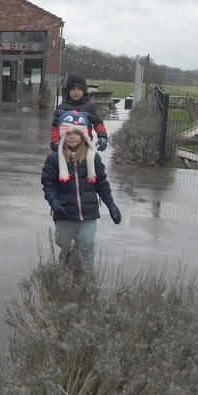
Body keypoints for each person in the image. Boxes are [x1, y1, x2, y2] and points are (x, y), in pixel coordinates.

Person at [41, 110, 122, 274]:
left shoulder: (93, 158)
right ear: (63, 135)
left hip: (88, 210)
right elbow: (48, 183)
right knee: (63, 241)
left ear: (83, 136)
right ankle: (67, 250)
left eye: (77, 134)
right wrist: (53, 201)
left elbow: (102, 184)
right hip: (64, 210)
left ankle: (87, 272)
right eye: (69, 133)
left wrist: (111, 204)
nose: (72, 137)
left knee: (87, 242)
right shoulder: (54, 159)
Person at [50, 73, 108, 152]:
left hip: (85, 146)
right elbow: (56, 127)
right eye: (73, 89)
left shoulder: (90, 106)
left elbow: (98, 123)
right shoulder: (62, 108)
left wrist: (102, 136)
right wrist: (55, 142)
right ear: (68, 91)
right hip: (66, 147)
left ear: (84, 91)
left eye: (79, 89)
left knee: (95, 161)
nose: (76, 92)